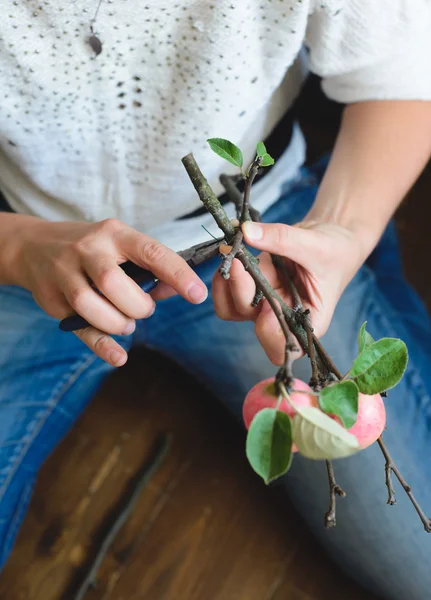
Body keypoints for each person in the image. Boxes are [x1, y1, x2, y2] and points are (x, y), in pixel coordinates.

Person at [0, 1, 430, 597]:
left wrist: (342, 228)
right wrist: (16, 247)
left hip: (268, 240)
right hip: (26, 248)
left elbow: (407, 72)